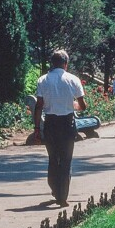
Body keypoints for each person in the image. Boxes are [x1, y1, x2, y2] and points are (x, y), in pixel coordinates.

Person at [33, 49, 87, 207]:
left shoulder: (43, 80)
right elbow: (82, 105)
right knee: (65, 159)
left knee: (53, 158)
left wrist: (37, 128)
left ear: (52, 63)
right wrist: (73, 105)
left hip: (50, 124)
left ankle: (55, 189)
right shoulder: (73, 79)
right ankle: (62, 196)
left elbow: (39, 106)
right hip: (67, 123)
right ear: (66, 64)